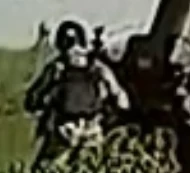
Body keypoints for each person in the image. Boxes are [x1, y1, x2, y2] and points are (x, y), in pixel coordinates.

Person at [24, 20, 129, 163]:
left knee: (47, 170)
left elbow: (33, 100)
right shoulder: (97, 68)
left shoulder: (58, 69)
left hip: (68, 129)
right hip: (90, 128)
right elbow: (121, 98)